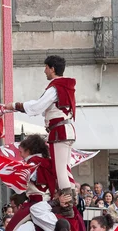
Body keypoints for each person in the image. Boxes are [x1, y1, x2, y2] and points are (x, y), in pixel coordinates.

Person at [5, 55, 76, 215]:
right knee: (65, 167)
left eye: (46, 67)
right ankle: (72, 200)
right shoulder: (66, 87)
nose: (44, 71)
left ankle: (68, 205)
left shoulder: (55, 88)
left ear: (52, 68)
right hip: (66, 130)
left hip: (59, 131)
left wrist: (16, 105)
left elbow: (37, 106)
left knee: (60, 170)